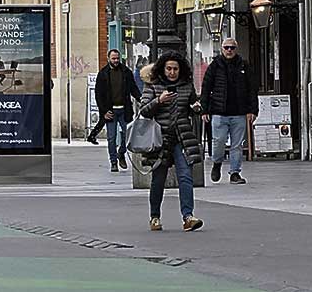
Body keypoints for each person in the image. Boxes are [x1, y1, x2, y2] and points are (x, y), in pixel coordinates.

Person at [138, 52, 204, 232]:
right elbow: (143, 110)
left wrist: (196, 108)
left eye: (175, 69)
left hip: (182, 138)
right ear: (163, 69)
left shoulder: (186, 86)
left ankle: (188, 216)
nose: (172, 72)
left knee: (185, 176)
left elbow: (192, 106)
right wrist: (158, 101)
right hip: (160, 139)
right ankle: (155, 217)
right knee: (158, 179)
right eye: (169, 68)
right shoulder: (153, 85)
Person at [201, 37, 259, 185]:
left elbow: (252, 89)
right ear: (222, 49)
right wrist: (204, 110)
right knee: (218, 142)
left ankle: (235, 173)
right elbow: (206, 89)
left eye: (232, 48)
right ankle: (217, 163)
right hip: (219, 112)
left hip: (239, 112)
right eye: (226, 47)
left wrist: (253, 110)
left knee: (237, 145)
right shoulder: (214, 66)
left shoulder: (244, 66)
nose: (229, 50)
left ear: (236, 49)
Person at [88, 48, 142, 172]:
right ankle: (113, 162)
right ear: (109, 59)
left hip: (124, 110)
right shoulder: (103, 74)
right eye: (113, 58)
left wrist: (141, 99)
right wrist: (104, 111)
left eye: (117, 58)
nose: (116, 60)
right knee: (111, 138)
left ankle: (121, 153)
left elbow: (133, 88)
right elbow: (98, 95)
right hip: (110, 111)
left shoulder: (126, 72)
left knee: (128, 135)